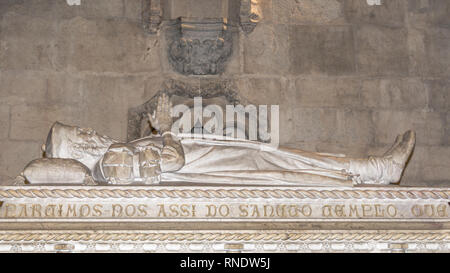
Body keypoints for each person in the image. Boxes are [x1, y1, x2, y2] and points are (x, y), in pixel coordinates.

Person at [39, 94, 415, 186]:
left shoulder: (115, 156)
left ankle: (375, 169)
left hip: (212, 161)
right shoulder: (110, 161)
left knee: (287, 161)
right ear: (77, 150)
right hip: (213, 169)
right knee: (285, 168)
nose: (91, 133)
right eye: (82, 135)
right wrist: (166, 127)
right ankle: (377, 170)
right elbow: (172, 163)